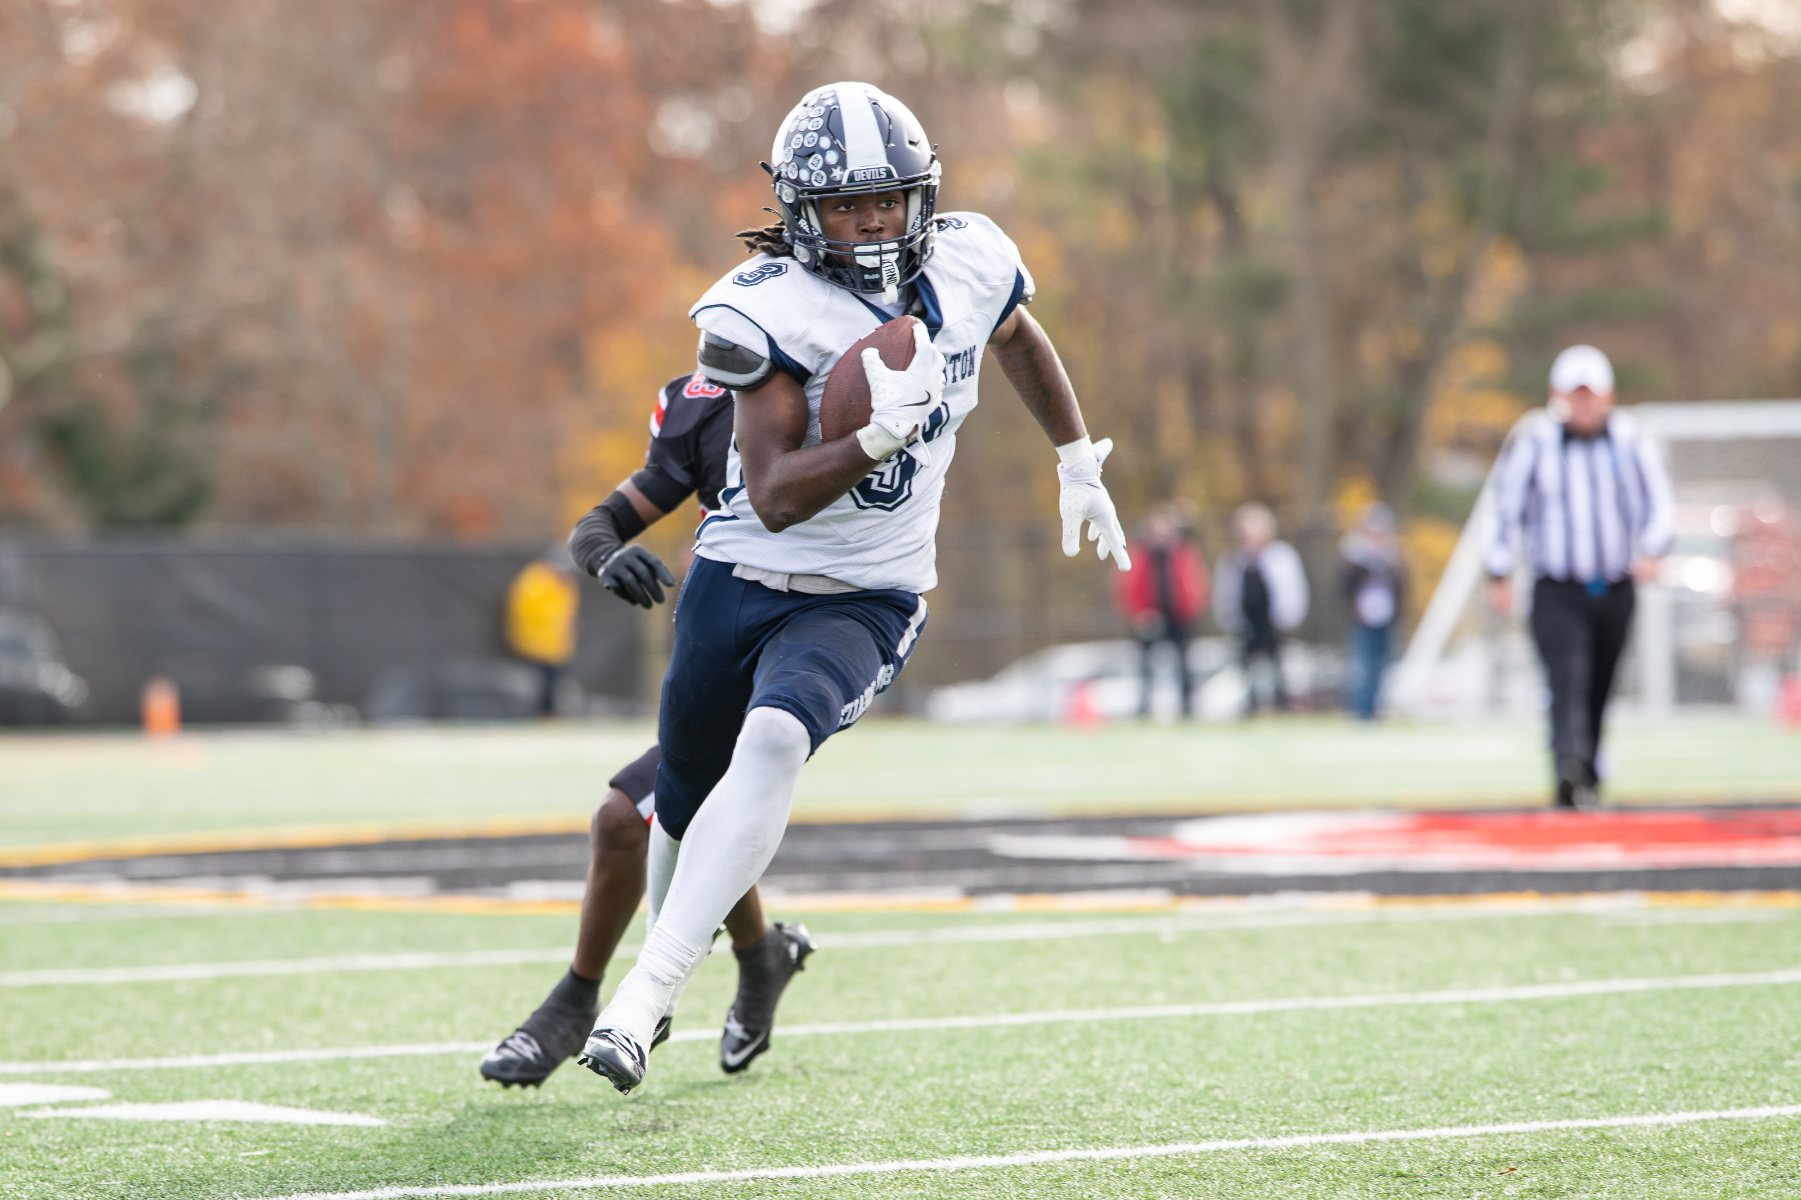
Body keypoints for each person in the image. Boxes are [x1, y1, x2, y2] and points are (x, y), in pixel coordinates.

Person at [576, 81, 1130, 1095]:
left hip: (867, 593)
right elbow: (778, 495)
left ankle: (640, 1001)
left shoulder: (967, 260)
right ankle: (663, 987)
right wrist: (878, 433)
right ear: (799, 212)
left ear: (921, 197)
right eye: (845, 206)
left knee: (778, 737)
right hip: (742, 575)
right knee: (686, 804)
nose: (871, 223)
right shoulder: (763, 310)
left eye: (886, 201)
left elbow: (1014, 334)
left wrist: (1073, 458)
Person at [479, 370, 811, 1088]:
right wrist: (605, 555)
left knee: (632, 816)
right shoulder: (702, 403)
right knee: (678, 812)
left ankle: (578, 1001)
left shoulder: (841, 384)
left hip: (810, 644)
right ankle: (761, 957)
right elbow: (596, 525)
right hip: (724, 645)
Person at [1485, 344, 1673, 807]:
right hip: (1556, 586)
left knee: (1601, 682)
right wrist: (1500, 570)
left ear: (1608, 396)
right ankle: (1568, 766)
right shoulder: (1534, 440)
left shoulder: (1630, 440)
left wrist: (1652, 548)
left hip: (1614, 585)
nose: (1584, 403)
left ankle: (1587, 769)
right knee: (1566, 677)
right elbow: (1506, 509)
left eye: (1592, 394)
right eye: (1576, 394)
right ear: (1558, 394)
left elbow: (1660, 504)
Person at [1212, 503, 1308, 714]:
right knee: (1246, 670)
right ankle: (1251, 707)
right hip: (1246, 624)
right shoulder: (1233, 560)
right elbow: (1225, 594)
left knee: (1278, 668)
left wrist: (1288, 619)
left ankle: (1280, 706)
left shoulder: (1281, 557)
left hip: (1274, 625)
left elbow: (1293, 590)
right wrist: (1230, 621)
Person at [1114, 503, 1209, 717]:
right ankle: (1145, 706)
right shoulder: (1141, 555)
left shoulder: (1183, 553)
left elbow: (1194, 584)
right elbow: (1130, 587)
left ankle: (1187, 706)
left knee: (1184, 664)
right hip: (1149, 617)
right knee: (1146, 665)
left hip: (1179, 616)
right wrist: (1140, 613)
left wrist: (1190, 610)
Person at [1339, 502, 1407, 721]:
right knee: (1363, 665)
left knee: (1382, 665)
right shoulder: (1355, 556)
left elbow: (1402, 587)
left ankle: (1376, 709)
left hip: (1387, 619)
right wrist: (1355, 610)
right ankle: (1362, 710)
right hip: (1362, 620)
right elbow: (1344, 588)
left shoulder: (1392, 556)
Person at [503, 550, 579, 716]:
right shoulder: (536, 581)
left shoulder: (563, 584)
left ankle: (549, 711)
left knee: (553, 681)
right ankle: (540, 712)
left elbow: (566, 614)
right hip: (537, 643)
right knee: (540, 681)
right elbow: (527, 613)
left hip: (555, 644)